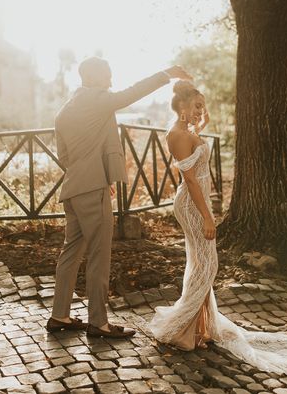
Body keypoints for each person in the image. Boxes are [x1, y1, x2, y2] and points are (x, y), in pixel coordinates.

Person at [149, 81, 287, 374]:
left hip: (198, 203)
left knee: (200, 263)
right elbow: (191, 181)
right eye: (196, 107)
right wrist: (207, 217)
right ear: (182, 107)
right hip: (193, 206)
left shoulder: (187, 131)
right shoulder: (178, 135)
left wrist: (201, 122)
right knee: (207, 264)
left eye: (202, 108)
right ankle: (183, 330)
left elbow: (196, 149)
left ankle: (197, 328)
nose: (200, 112)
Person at [47, 57, 192, 338]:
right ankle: (98, 323)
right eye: (109, 76)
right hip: (92, 189)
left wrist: (91, 173)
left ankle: (59, 315)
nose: (111, 82)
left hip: (73, 188)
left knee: (70, 253)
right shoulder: (98, 100)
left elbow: (64, 156)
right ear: (98, 78)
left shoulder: (64, 111)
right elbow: (132, 93)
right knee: (99, 256)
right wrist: (167, 73)